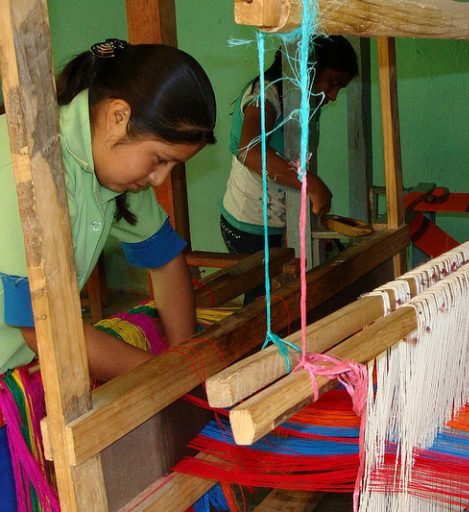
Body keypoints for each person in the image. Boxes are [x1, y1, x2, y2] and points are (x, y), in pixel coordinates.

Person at [0, 39, 217, 383]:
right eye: (160, 160)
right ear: (119, 116)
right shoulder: (31, 167)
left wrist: (184, 357)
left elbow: (164, 259)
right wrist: (167, 379)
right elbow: (43, 328)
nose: (159, 178)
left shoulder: (116, 163)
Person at [219, 35, 358, 303]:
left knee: (280, 300)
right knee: (265, 307)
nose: (332, 95)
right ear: (310, 67)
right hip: (248, 226)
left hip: (277, 224)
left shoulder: (303, 101)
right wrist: (312, 184)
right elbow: (250, 150)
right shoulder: (266, 94)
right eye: (332, 83)